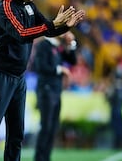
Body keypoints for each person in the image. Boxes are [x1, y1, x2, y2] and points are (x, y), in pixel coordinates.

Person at [0, 0, 86, 161]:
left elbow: (46, 30)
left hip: (18, 78)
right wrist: (52, 25)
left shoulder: (30, 7)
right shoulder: (4, 8)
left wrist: (64, 26)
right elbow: (22, 33)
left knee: (16, 135)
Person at [33, 31, 77, 161]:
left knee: (52, 127)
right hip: (46, 90)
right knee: (46, 126)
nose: (65, 33)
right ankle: (39, 158)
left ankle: (46, 157)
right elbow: (40, 66)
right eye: (63, 30)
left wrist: (72, 44)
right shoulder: (44, 45)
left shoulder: (57, 47)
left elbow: (72, 60)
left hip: (56, 92)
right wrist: (60, 69)